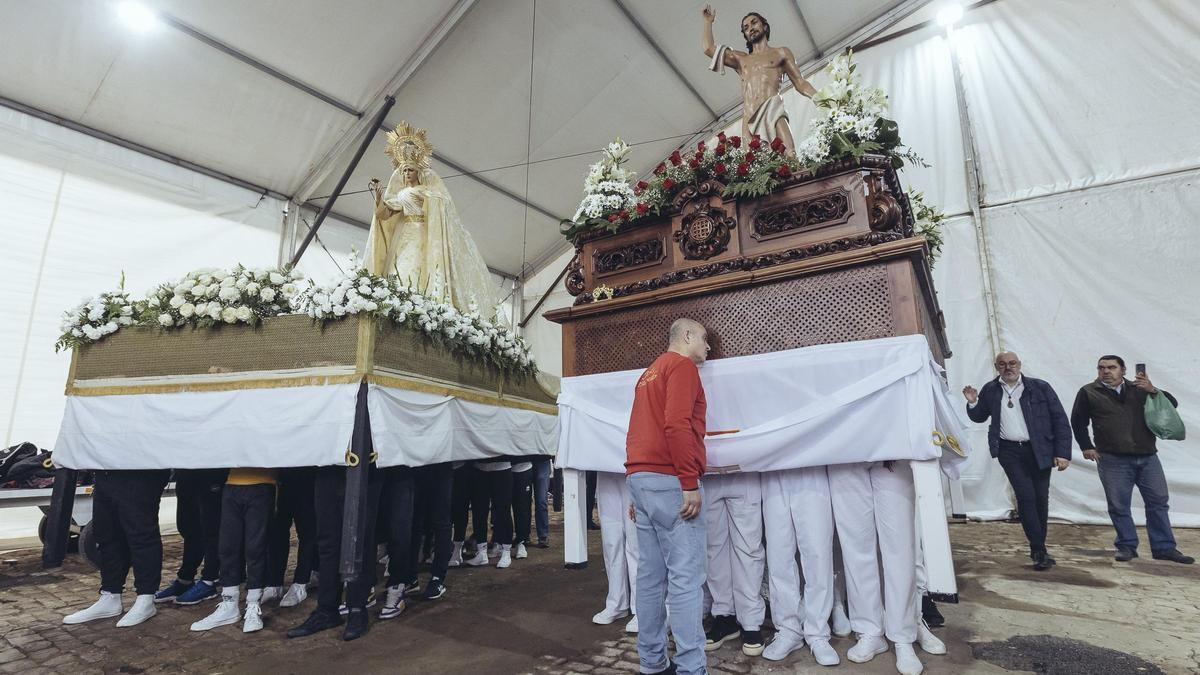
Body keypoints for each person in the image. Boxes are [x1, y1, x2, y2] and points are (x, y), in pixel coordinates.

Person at [626, 318, 710, 675]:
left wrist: (638, 485)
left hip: (642, 478)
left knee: (649, 578)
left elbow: (638, 428)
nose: (709, 347)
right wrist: (688, 481)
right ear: (687, 336)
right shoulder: (682, 366)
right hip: (670, 478)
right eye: (705, 339)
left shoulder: (649, 372)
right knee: (685, 579)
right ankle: (692, 668)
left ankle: (652, 664)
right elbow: (676, 424)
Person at [366, 121, 498, 314]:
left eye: (410, 170)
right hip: (403, 235)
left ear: (418, 171)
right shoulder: (400, 194)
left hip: (422, 232)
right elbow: (385, 214)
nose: (406, 173)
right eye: (403, 170)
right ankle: (398, 301)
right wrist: (379, 199)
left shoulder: (427, 191)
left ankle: (420, 301)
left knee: (420, 265)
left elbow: (442, 203)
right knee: (398, 266)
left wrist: (430, 201)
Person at [1070, 356, 1192, 564]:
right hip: (1112, 458)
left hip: (1147, 456)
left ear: (1123, 370)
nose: (1106, 371)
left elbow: (1172, 404)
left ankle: (1164, 548)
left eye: (1111, 367)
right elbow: (1077, 421)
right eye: (1101, 368)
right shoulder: (1088, 392)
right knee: (1118, 505)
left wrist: (1153, 390)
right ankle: (1126, 546)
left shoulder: (1140, 388)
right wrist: (1086, 447)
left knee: (1158, 503)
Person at [962, 351, 1072, 570]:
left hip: (1040, 449)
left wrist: (1063, 453)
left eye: (1012, 363)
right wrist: (973, 403)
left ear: (1020, 365)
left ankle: (1039, 547)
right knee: (1025, 496)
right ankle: (1038, 550)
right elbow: (979, 416)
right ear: (996, 367)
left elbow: (1059, 419)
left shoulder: (1040, 387)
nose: (1008, 367)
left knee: (1041, 498)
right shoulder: (991, 389)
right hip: (1009, 451)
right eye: (1002, 364)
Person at [828, 460, 924, 675]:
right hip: (843, 453)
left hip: (890, 453)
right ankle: (868, 630)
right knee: (855, 547)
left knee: (899, 547)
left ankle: (903, 636)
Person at [701, 5, 816, 153]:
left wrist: (820, 98)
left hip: (773, 110)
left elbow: (800, 82)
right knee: (754, 166)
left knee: (789, 153)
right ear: (745, 35)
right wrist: (707, 22)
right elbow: (708, 49)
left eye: (754, 22)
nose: (751, 28)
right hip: (749, 117)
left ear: (765, 26)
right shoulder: (741, 59)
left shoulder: (781, 53)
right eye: (746, 27)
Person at [62, 469, 170, 627]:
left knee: (141, 533)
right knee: (107, 533)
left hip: (141, 469)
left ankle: (146, 597)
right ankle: (110, 594)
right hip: (106, 469)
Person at [760, 467, 839, 665]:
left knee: (817, 554)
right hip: (773, 469)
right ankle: (788, 630)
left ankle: (818, 632)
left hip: (810, 468)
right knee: (779, 554)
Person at [191, 468, 277, 633]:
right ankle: (229, 602)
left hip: (264, 483)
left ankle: (253, 605)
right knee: (227, 547)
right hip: (231, 483)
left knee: (255, 547)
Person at [703, 471, 766, 657]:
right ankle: (724, 615)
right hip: (707, 470)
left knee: (749, 547)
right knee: (713, 548)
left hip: (744, 467)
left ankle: (751, 621)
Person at [155, 469, 225, 605]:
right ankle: (185, 579)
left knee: (211, 527)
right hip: (185, 470)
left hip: (211, 470)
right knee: (188, 526)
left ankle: (209, 580)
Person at [592, 470, 639, 634]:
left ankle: (641, 607)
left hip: (634, 466)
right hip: (605, 465)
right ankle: (616, 602)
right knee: (611, 540)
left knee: (635, 543)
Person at [265, 466, 318, 607]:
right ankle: (274, 583)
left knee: (307, 531)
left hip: (307, 475)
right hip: (280, 475)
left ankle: (301, 582)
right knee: (276, 531)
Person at [533, 456, 553, 547]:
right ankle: (523, 536)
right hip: (525, 458)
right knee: (523, 501)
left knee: (541, 500)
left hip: (543, 458)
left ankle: (543, 536)